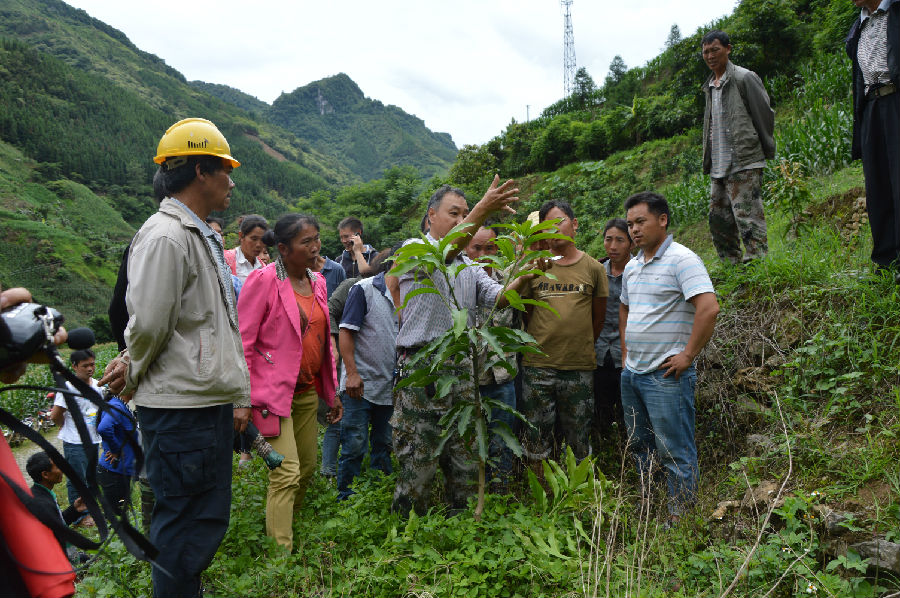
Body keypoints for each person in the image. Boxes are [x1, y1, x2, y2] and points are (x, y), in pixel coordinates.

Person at [99, 117, 251, 598]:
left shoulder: (194, 232)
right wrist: (133, 367)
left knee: (198, 525)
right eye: (225, 170)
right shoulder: (167, 236)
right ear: (200, 172)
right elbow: (147, 322)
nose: (231, 180)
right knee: (185, 529)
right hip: (182, 409)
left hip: (200, 404)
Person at [392, 177, 530, 516]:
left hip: (462, 371)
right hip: (425, 369)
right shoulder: (418, 250)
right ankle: (408, 532)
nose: (461, 220)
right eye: (455, 213)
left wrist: (527, 274)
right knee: (417, 458)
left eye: (466, 214)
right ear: (431, 216)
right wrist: (484, 208)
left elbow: (498, 299)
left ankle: (463, 526)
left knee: (464, 455)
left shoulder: (469, 265)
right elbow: (447, 250)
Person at [238, 213, 342, 552]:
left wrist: (332, 392)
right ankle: (280, 554)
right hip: (272, 394)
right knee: (285, 471)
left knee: (308, 467)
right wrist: (243, 397)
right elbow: (244, 342)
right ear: (283, 248)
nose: (315, 248)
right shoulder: (264, 280)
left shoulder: (319, 282)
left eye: (317, 239)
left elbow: (324, 342)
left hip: (307, 392)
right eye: (305, 242)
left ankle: (283, 519)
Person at [619, 192, 719, 522]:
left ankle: (681, 518)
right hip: (633, 374)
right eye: (630, 223)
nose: (634, 229)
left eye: (640, 222)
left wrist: (688, 355)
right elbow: (625, 307)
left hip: (665, 375)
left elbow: (708, 308)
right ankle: (651, 504)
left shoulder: (682, 259)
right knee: (641, 445)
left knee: (674, 449)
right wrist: (625, 353)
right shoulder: (633, 265)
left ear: (662, 220)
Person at [518, 200, 608, 462]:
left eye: (560, 221)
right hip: (538, 367)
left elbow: (598, 318)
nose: (554, 229)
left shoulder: (594, 268)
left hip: (578, 367)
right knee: (536, 437)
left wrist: (578, 343)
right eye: (548, 225)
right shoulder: (535, 269)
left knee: (579, 436)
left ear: (574, 224)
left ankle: (579, 494)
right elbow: (527, 313)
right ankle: (540, 491)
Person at [701, 30, 775, 265]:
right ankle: (731, 267)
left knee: (748, 218)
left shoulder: (744, 78)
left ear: (728, 49)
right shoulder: (709, 86)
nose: (710, 55)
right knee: (718, 219)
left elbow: (764, 114)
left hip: (744, 160)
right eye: (706, 52)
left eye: (715, 49)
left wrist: (762, 150)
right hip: (718, 165)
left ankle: (758, 265)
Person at [336, 258, 398, 500]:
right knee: (354, 443)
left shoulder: (413, 293)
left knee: (384, 442)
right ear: (396, 262)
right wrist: (351, 373)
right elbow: (346, 332)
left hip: (390, 385)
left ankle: (378, 492)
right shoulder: (365, 289)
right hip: (360, 384)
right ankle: (347, 495)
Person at [847, 0, 900, 279]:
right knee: (877, 182)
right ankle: (886, 262)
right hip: (871, 107)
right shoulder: (860, 25)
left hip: (895, 98)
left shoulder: (896, 11)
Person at [464, 226, 519, 489]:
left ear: (499, 249)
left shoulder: (508, 281)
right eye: (476, 248)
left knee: (502, 441)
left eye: (490, 248)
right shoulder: (458, 282)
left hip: (501, 379)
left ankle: (501, 495)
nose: (483, 254)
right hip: (467, 379)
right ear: (465, 248)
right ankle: (471, 493)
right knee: (467, 444)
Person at [49, 349, 101, 526]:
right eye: (85, 365)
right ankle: (79, 516)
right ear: (74, 366)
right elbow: (56, 415)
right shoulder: (68, 388)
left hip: (94, 440)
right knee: (77, 479)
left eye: (92, 364)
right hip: (74, 442)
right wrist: (65, 427)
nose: (90, 369)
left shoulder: (97, 385)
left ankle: (90, 509)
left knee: (91, 476)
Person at [593, 219, 634, 444]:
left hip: (626, 354)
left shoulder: (638, 271)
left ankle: (626, 451)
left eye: (620, 240)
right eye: (609, 239)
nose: (613, 246)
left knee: (627, 409)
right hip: (598, 353)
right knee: (600, 407)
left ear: (631, 244)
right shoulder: (596, 271)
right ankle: (603, 451)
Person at [309, 252, 346, 480]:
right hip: (320, 345)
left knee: (335, 406)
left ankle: (328, 468)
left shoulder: (335, 271)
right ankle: (326, 468)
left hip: (332, 345)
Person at [25, 452, 88, 559]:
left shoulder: (41, 493)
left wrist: (75, 510)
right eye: (58, 467)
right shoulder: (43, 503)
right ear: (45, 475)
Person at [96, 391, 136, 516]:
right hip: (113, 472)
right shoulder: (117, 406)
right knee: (117, 515)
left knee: (122, 512)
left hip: (119, 471)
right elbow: (103, 428)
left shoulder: (119, 404)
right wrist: (116, 450)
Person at [224, 214, 268, 283]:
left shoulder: (262, 266)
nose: (259, 245)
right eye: (254, 239)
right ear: (241, 236)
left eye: (262, 240)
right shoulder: (226, 260)